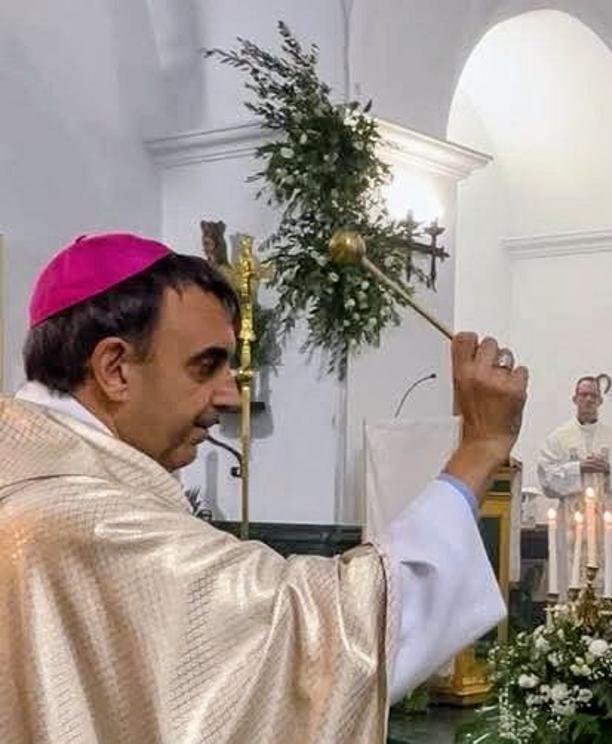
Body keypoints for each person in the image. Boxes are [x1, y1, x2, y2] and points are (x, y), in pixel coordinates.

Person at [0, 233, 527, 742]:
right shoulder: (79, 518)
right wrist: (481, 448)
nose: (229, 396)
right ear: (115, 369)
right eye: (205, 366)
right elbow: (331, 636)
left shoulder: (32, 485)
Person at [537, 375, 612, 588]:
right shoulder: (558, 438)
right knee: (569, 579)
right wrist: (578, 468)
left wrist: (609, 468)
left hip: (605, 522)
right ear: (574, 399)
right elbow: (546, 477)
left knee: (606, 583)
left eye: (594, 395)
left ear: (600, 401)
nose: (589, 400)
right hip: (570, 523)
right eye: (584, 395)